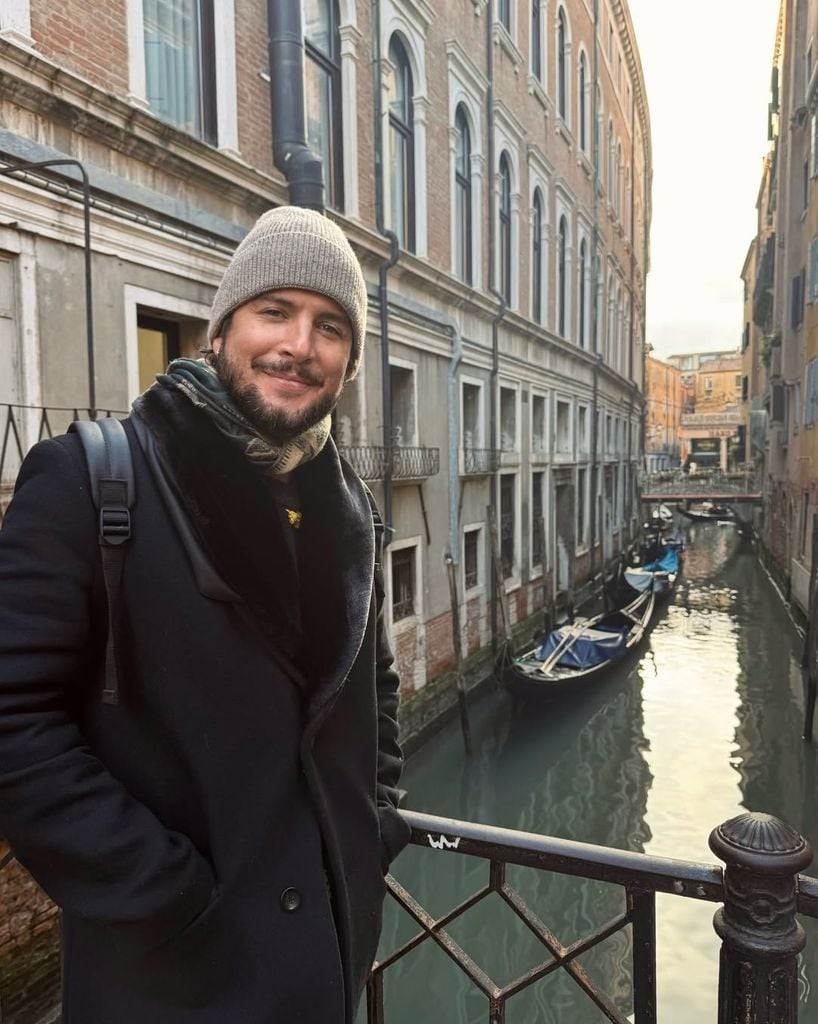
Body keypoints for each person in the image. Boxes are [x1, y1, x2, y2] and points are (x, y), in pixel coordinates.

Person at [0, 206, 411, 1023]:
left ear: (348, 362)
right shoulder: (89, 482)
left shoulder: (348, 508)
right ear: (221, 332)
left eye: (330, 326)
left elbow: (378, 691)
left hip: (325, 966)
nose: (300, 343)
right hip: (169, 977)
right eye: (274, 311)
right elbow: (12, 719)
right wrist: (161, 890)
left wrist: (377, 826)